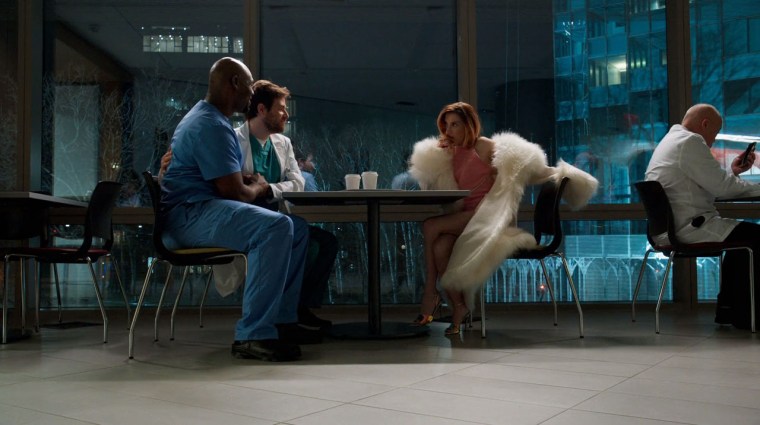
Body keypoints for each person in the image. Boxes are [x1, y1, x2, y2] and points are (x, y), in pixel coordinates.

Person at [159, 57, 314, 362]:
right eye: (248, 86)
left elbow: (225, 180)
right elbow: (235, 193)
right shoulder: (212, 125)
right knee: (277, 226)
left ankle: (281, 321)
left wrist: (246, 181)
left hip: (192, 211)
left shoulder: (206, 118)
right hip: (190, 216)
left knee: (295, 229)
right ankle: (253, 335)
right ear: (234, 83)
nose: (251, 94)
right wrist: (259, 185)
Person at [408, 102, 597, 336]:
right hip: (465, 217)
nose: (449, 130)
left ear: (469, 124)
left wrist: (564, 173)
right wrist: (435, 159)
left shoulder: (484, 146)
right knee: (439, 247)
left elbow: (522, 166)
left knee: (430, 225)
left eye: (455, 124)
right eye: (446, 125)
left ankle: (430, 294)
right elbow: (429, 183)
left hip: (487, 217)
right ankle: (458, 307)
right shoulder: (450, 151)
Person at [645, 103, 760, 329]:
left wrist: (733, 172)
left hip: (672, 228)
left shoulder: (671, 142)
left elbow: (707, 185)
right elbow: (723, 188)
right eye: (715, 134)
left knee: (743, 240)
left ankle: (732, 311)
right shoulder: (690, 142)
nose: (713, 141)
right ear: (705, 124)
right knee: (754, 237)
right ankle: (747, 314)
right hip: (690, 228)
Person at [236, 80, 336, 330]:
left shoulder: (283, 143)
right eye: (281, 108)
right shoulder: (234, 141)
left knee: (326, 243)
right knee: (298, 230)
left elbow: (298, 183)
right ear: (261, 110)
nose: (286, 114)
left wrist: (267, 188)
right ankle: (284, 317)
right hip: (247, 223)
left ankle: (299, 307)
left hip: (278, 219)